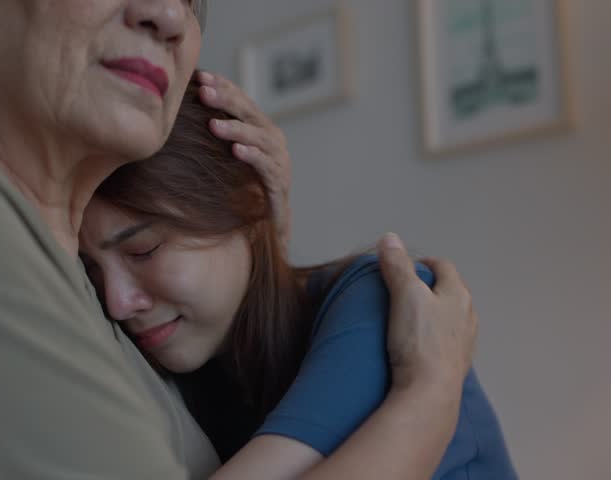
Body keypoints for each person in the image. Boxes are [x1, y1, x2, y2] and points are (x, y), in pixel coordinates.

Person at [0, 1, 477, 479]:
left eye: (192, 0)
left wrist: (265, 229)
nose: (171, 15)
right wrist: (430, 397)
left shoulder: (105, 323)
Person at [80, 79, 518, 479]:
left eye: (144, 250)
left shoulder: (384, 302)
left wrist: (429, 387)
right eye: (92, 271)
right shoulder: (189, 381)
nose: (117, 303)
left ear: (248, 201)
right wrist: (431, 390)